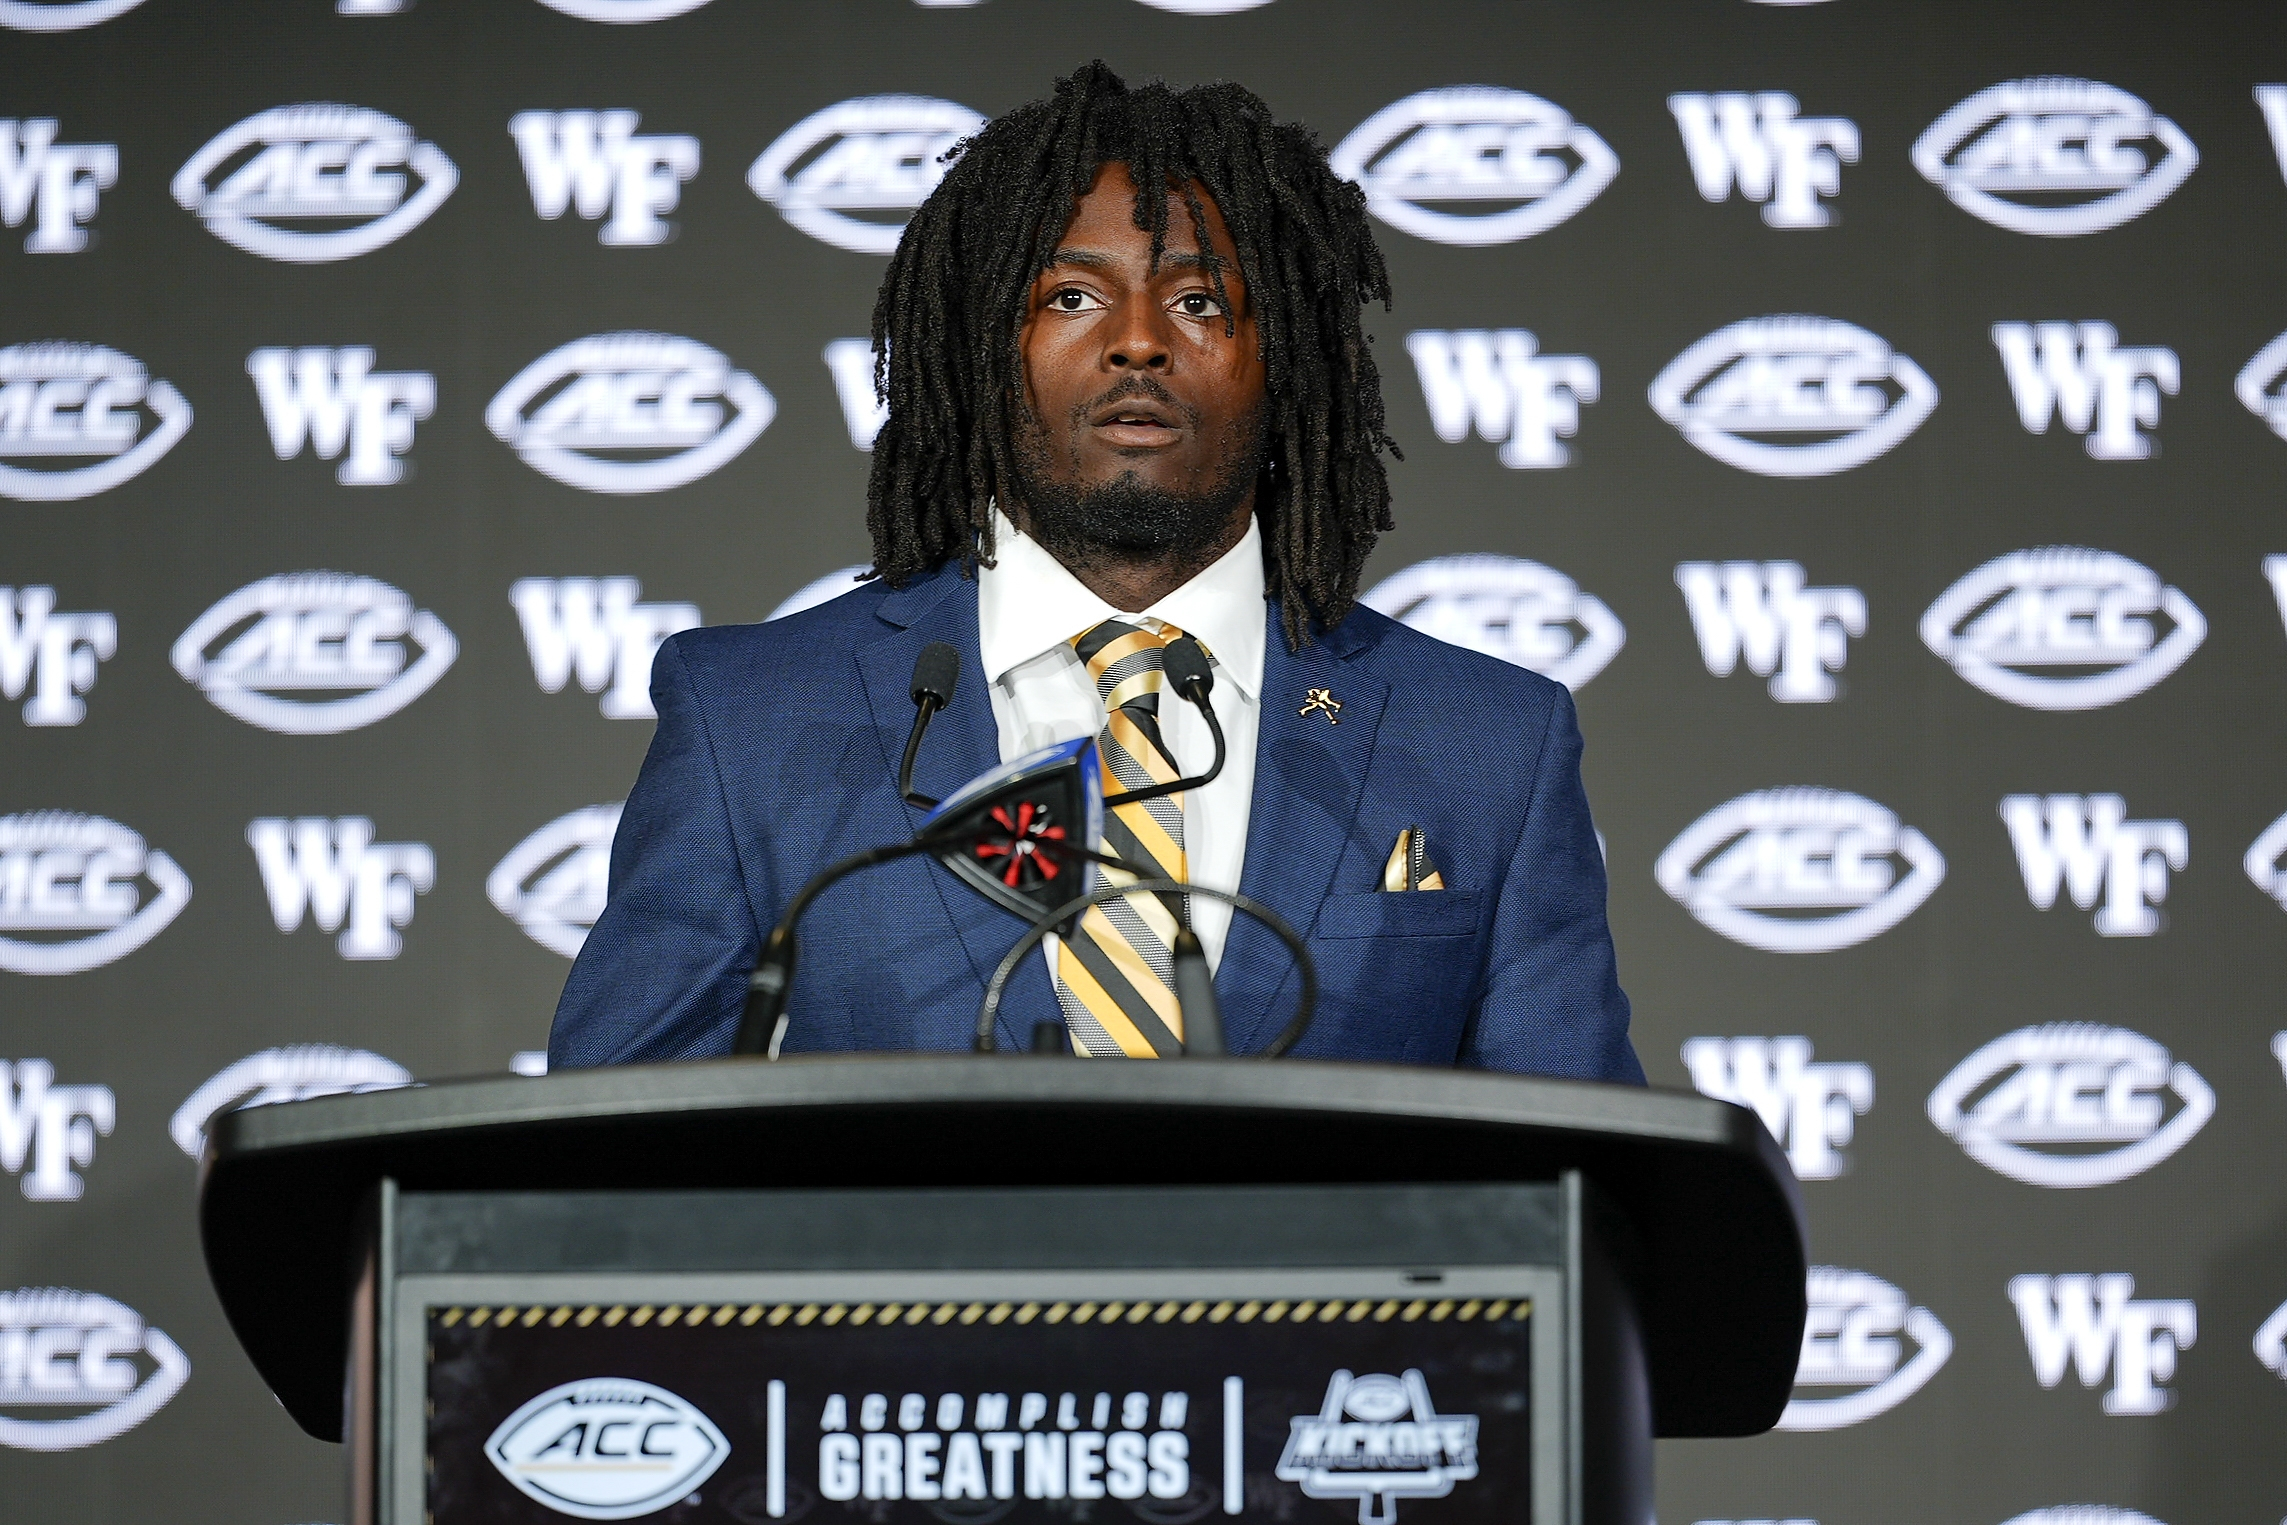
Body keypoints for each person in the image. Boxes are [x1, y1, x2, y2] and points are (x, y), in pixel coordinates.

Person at [548, 62, 1642, 1081]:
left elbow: (1585, 1199)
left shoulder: (1486, 744)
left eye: (1200, 301)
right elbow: (597, 1166)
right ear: (983, 352)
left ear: (1287, 366)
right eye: (1070, 297)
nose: (1136, 342)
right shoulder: (754, 719)